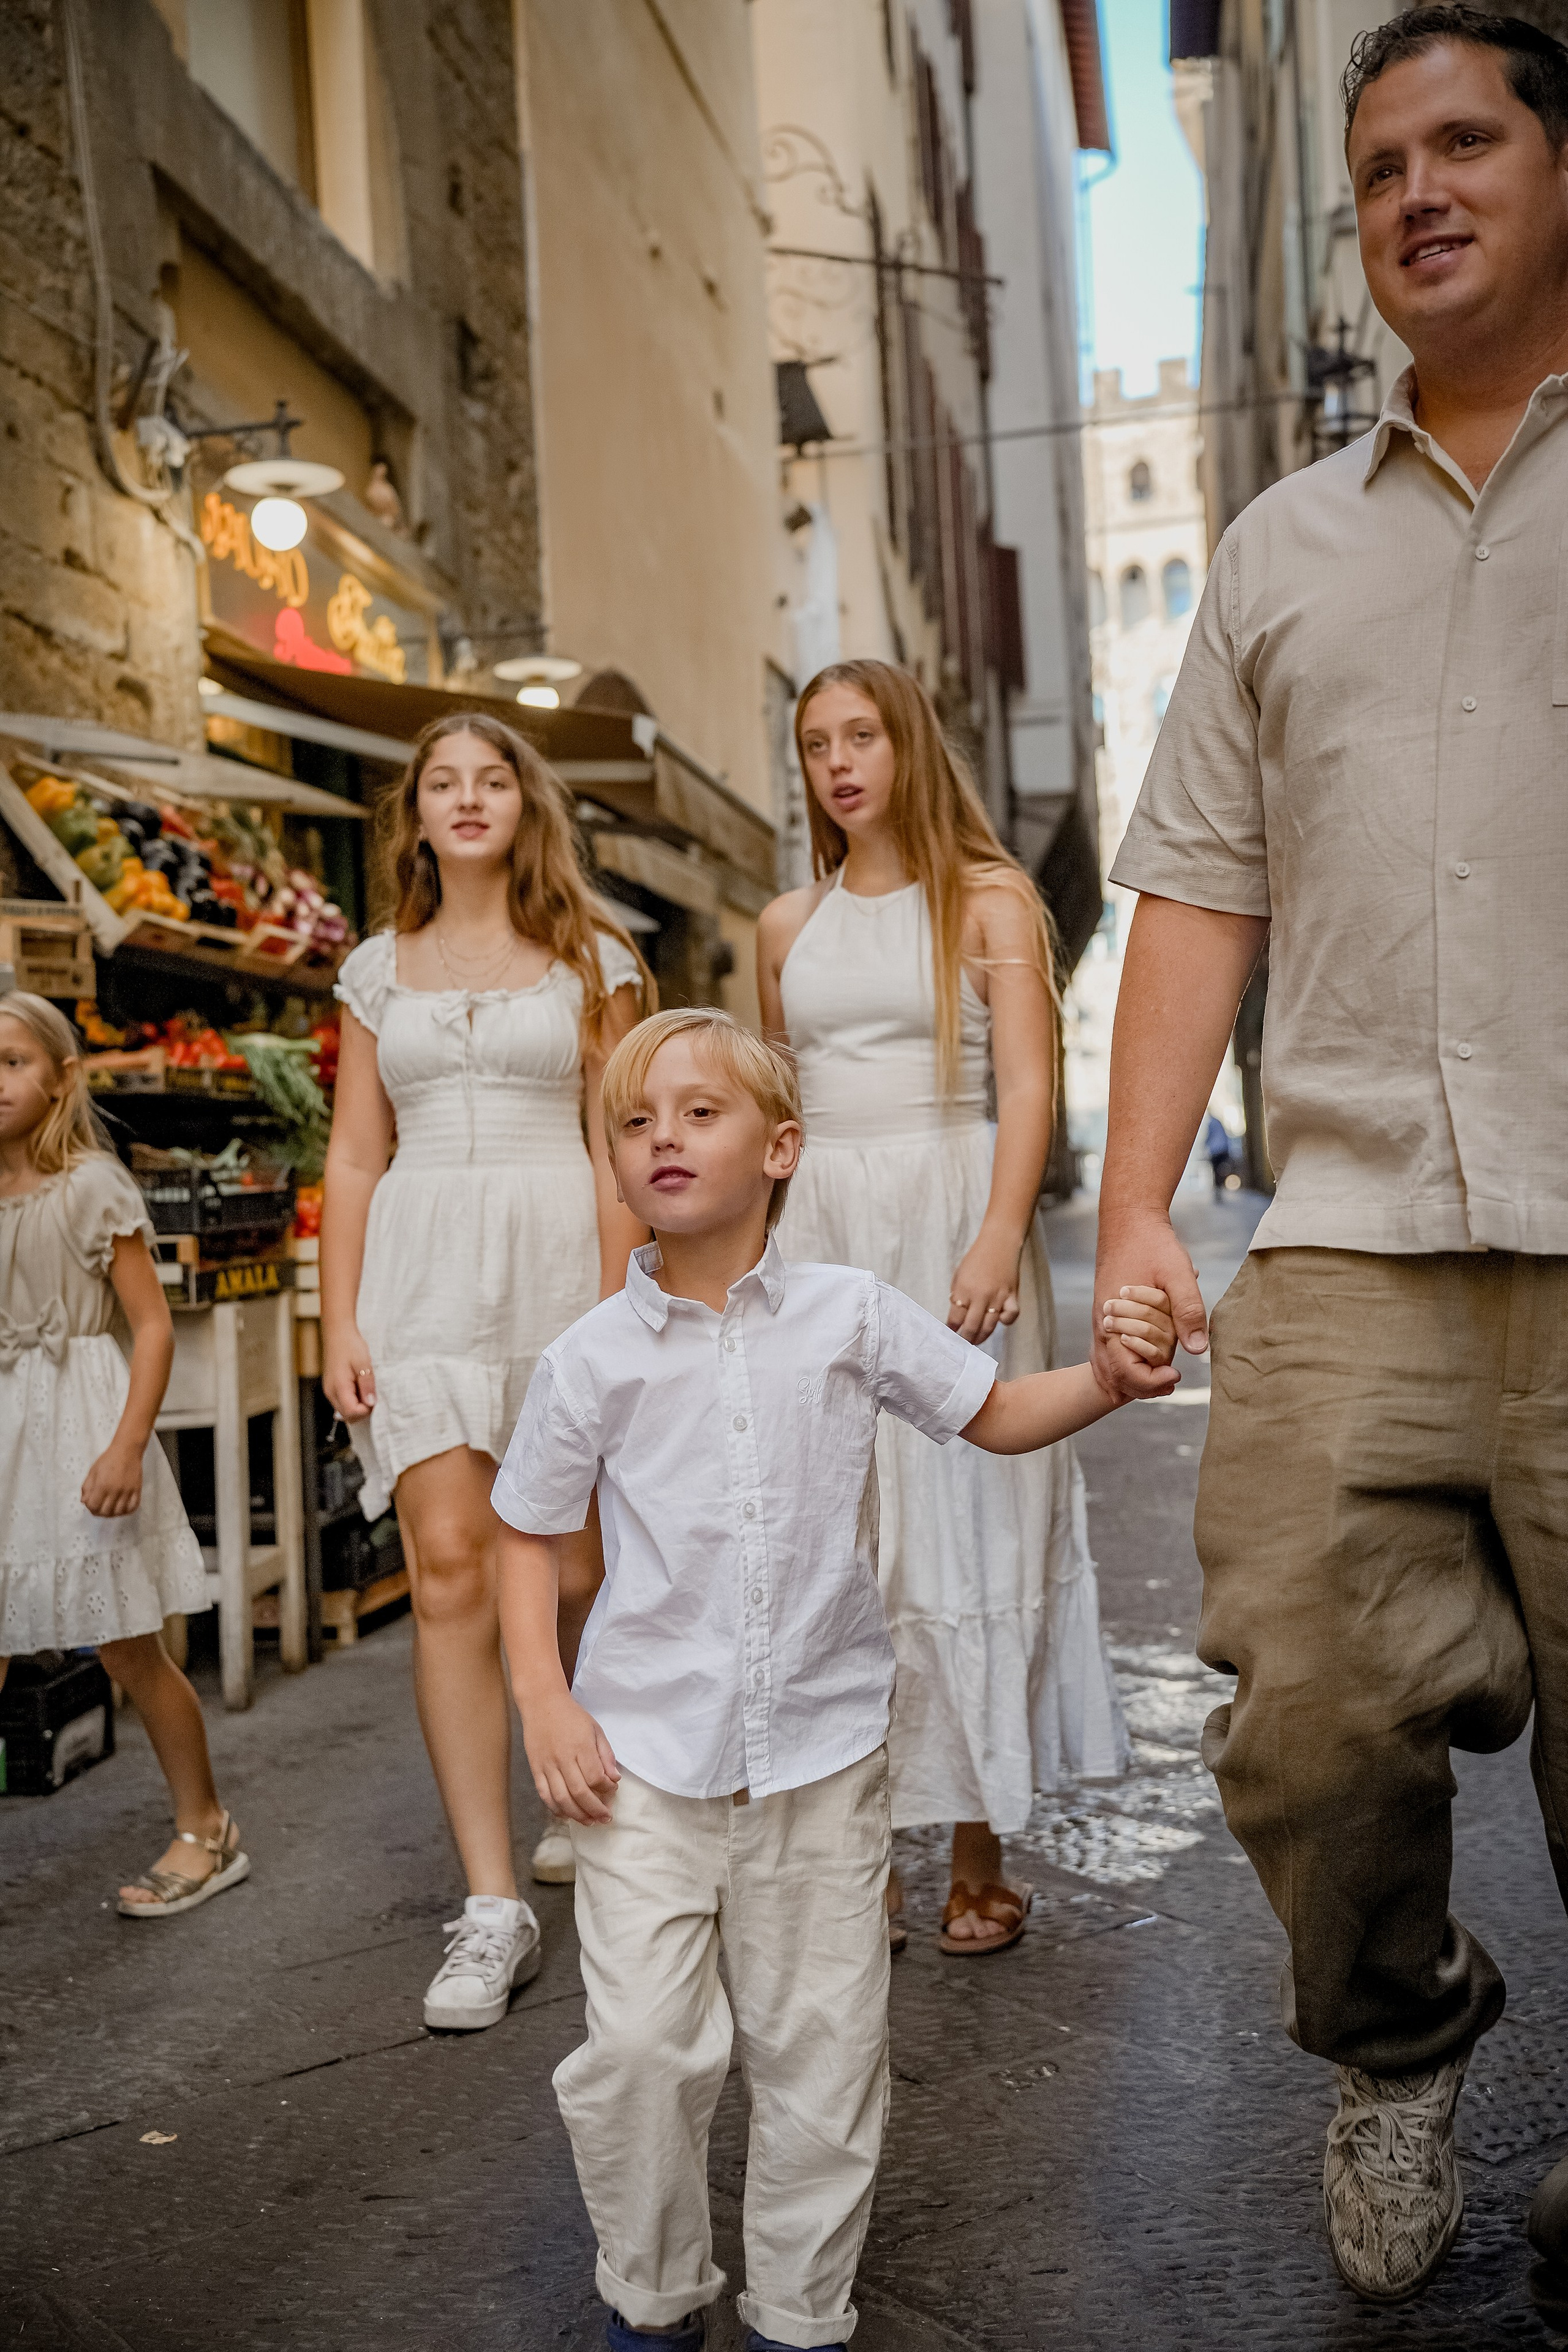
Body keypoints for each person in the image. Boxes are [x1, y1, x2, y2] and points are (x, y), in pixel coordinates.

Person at [1095, 6, 1568, 2316]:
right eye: (1378, 163)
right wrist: (1126, 1219)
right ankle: (1394, 2058)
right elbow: (1199, 888)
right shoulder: (1284, 549)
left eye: (1463, 140)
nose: (1414, 190)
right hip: (1351, 1235)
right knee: (1290, 1694)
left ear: (1561, 169)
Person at [491, 1007, 1177, 2352]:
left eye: (698, 1112)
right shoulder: (590, 1357)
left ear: (782, 1147)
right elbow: (525, 1528)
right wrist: (542, 1697)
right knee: (636, 2055)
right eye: (634, 1122)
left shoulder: (847, 1315)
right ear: (612, 1166)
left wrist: (1100, 1380)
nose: (662, 1138)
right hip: (638, 1765)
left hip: (818, 1756)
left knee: (820, 2059)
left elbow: (987, 1413)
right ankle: (652, 2297)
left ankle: (801, 2316)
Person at [756, 659, 1126, 1956]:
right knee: (844, 1532)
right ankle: (863, 1842)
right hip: (824, 1240)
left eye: (862, 736)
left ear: (909, 747)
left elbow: (1026, 1090)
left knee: (976, 1513)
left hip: (953, 1211)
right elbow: (776, 1116)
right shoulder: (782, 928)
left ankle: (976, 1843)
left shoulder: (987, 902)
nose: (840, 763)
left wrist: (994, 1234)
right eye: (815, 745)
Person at [322, 712, 649, 2032]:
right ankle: (491, 1902)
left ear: (525, 805)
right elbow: (353, 1154)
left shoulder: (591, 958)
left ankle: (582, 1770)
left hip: (559, 1271)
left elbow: (620, 1136)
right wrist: (340, 1320)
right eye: (440, 783)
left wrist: (620, 1304)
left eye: (490, 779)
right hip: (418, 1282)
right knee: (449, 1568)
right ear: (414, 815)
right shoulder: (370, 972)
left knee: (576, 1564)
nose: (466, 799)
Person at [0, 993, 245, 1916]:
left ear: (64, 1079)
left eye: (16, 1060)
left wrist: (128, 1446)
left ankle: (206, 1825)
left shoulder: (94, 1187)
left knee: (128, 1648)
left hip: (84, 1424)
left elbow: (151, 1330)